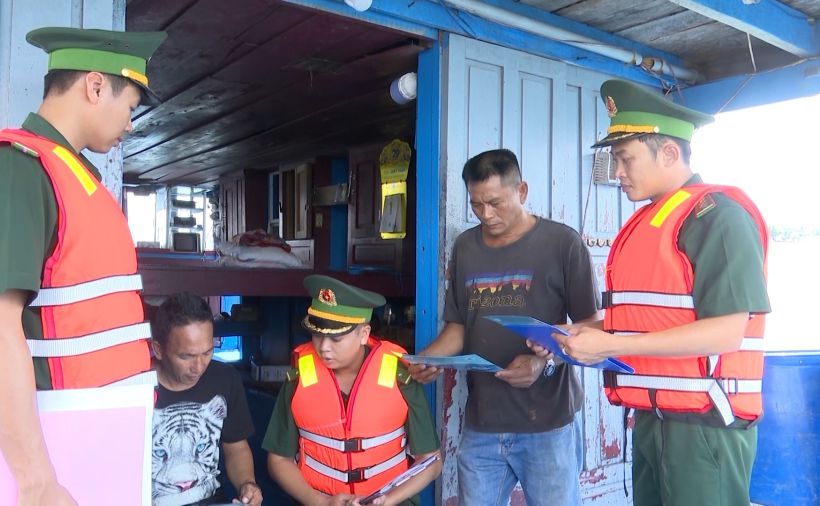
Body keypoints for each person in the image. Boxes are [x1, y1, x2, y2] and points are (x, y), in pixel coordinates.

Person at [0, 27, 167, 505]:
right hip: (31, 461)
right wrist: (36, 483)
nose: (130, 125)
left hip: (77, 441)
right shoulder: (12, 169)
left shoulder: (66, 174)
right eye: (131, 106)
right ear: (95, 86)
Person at [553, 79, 770, 506]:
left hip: (705, 426)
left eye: (625, 159)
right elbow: (644, 317)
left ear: (669, 152)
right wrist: (571, 335)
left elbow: (726, 333)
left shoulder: (718, 218)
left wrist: (610, 343)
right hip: (654, 419)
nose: (616, 173)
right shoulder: (652, 220)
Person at [410, 149, 599, 506]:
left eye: (495, 202)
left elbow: (592, 328)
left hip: (548, 422)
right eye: (476, 205)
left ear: (522, 191)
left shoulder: (562, 244)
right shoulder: (466, 246)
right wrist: (430, 359)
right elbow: (459, 327)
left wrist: (543, 362)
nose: (486, 214)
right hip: (483, 422)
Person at [263, 275, 441, 506]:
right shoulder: (299, 377)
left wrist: (389, 500)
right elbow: (278, 459)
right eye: (317, 335)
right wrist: (321, 501)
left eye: (336, 339)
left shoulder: (401, 376)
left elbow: (432, 461)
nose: (324, 347)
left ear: (364, 334)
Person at [151, 292, 263, 506]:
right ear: (158, 349)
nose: (199, 366)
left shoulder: (225, 379)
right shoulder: (135, 386)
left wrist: (247, 484)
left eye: (207, 352)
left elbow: (237, 447)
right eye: (187, 356)